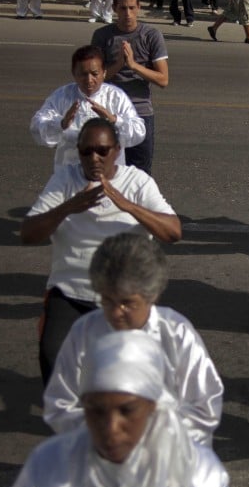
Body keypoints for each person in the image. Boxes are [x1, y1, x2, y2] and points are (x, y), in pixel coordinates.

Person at [0, 329, 239, 487]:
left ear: (153, 407)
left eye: (127, 411)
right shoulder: (50, 466)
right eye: (96, 411)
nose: (110, 427)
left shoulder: (197, 473)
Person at [22, 117, 181, 384]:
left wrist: (128, 205)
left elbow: (173, 232)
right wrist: (68, 207)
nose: (94, 158)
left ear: (117, 151)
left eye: (102, 151)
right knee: (53, 357)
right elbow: (28, 234)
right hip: (71, 293)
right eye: (86, 151)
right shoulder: (65, 181)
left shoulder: (137, 182)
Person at [44, 233, 222, 445]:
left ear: (152, 295)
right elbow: (60, 404)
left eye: (127, 303)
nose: (116, 312)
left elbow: (204, 408)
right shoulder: (84, 332)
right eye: (107, 301)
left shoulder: (176, 333)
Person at [91, 0, 169, 174]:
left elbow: (163, 79)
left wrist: (133, 65)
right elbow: (94, 81)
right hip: (109, 113)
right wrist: (118, 64)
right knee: (107, 173)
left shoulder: (151, 35)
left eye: (132, 8)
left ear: (139, 7)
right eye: (123, 8)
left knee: (140, 175)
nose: (128, 14)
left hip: (140, 113)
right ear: (114, 8)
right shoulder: (102, 36)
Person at [30, 45, 145, 171]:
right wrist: (61, 124)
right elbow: (37, 128)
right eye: (83, 74)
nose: (89, 80)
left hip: (108, 178)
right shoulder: (62, 96)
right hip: (70, 176)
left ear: (104, 72)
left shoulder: (116, 96)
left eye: (94, 74)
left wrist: (113, 120)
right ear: (74, 74)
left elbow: (139, 132)